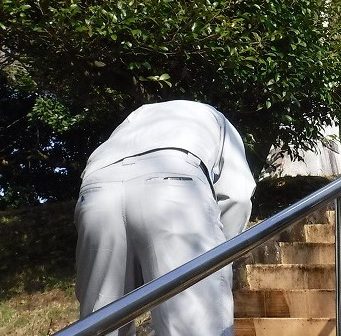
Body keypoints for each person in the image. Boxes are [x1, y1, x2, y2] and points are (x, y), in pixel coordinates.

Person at [74, 100, 256, 336]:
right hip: (174, 187)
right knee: (192, 325)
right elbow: (238, 196)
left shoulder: (135, 117)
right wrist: (217, 257)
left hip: (97, 191)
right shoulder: (217, 119)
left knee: (101, 322)